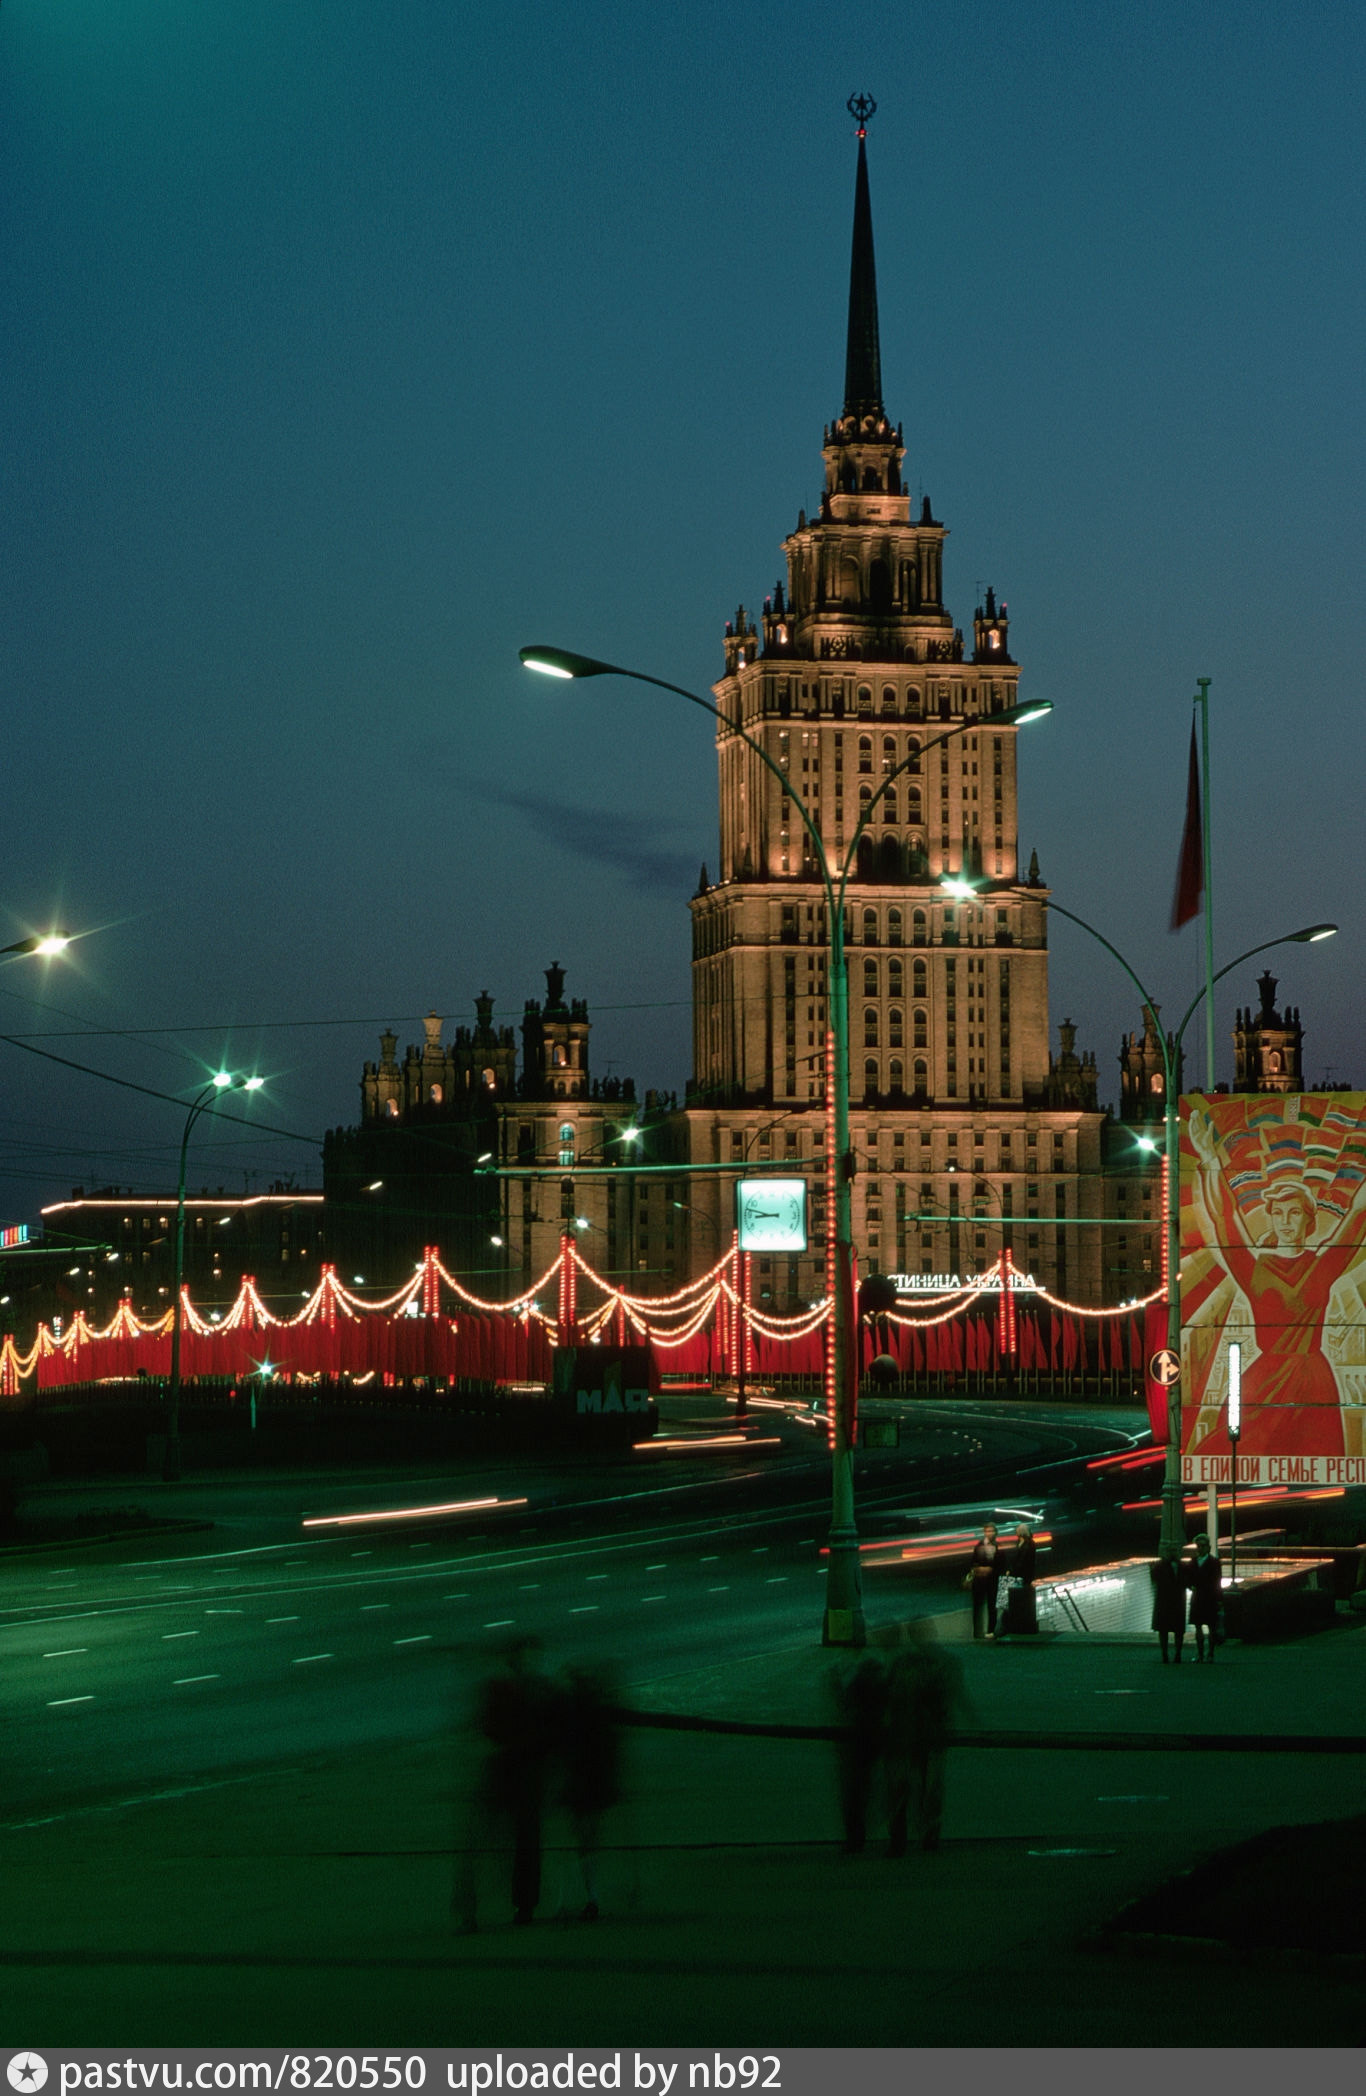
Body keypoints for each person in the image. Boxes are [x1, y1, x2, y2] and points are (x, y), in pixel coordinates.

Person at [1187, 1111, 1366, 1460]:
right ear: (1270, 1217)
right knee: (1234, 1453)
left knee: (1318, 1461)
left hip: (1315, 1384)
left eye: (1294, 1213)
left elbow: (1358, 1215)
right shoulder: (1255, 1270)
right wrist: (1209, 1160)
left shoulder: (1321, 1267)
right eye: (1278, 1213)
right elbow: (1225, 1220)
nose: (1285, 1221)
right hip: (1266, 1382)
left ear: (1309, 1221)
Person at [455, 1636, 554, 1930]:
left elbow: (483, 1726)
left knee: (490, 1840)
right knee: (522, 1842)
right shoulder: (532, 1689)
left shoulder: (502, 1688)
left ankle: (476, 1909)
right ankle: (519, 1905)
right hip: (520, 1772)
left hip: (506, 1768)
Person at [884, 1621, 963, 1854]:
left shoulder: (904, 1664)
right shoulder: (941, 1662)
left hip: (910, 1735)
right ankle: (927, 1835)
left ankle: (902, 1838)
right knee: (929, 1788)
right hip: (927, 1734)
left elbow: (891, 1697)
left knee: (905, 1788)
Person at [555, 1662, 624, 1919]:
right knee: (589, 1840)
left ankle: (576, 1898)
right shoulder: (598, 1715)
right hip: (593, 1784)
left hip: (579, 1785)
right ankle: (590, 1896)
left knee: (578, 1840)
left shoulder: (570, 1716)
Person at [830, 1653, 888, 1855]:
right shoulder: (879, 1689)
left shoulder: (857, 1687)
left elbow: (844, 1706)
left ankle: (855, 1837)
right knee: (864, 1791)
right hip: (872, 1740)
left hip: (859, 1742)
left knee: (855, 1794)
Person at [1185, 1531, 1223, 1663]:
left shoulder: (1213, 1563)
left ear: (1208, 1547)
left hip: (1209, 1598)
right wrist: (1191, 1586)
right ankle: (1202, 1654)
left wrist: (1219, 1599)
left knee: (1211, 1628)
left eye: (1202, 1546)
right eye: (1198, 1546)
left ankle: (1209, 1654)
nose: (1200, 1548)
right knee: (1199, 1627)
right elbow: (1188, 1579)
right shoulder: (1194, 1562)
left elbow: (1217, 1581)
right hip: (1199, 1598)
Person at [1149, 1542, 1187, 1664]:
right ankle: (1166, 1654)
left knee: (1175, 1630)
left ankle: (1176, 1654)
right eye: (1170, 1551)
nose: (1172, 1553)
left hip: (1170, 1601)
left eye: (1174, 1550)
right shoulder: (1162, 1566)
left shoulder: (1180, 1566)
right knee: (1166, 1630)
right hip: (1168, 1601)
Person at [1001, 1523, 1038, 1635]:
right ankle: (1006, 1622)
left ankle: (1006, 1624)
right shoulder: (1024, 1543)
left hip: (1022, 1575)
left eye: (1017, 1530)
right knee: (1010, 1597)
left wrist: (1012, 1571)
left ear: (1021, 1532)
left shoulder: (1027, 1544)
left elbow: (1022, 1561)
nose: (1016, 1532)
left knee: (1010, 1597)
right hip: (1020, 1574)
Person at [968, 1522, 1001, 1640]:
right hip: (980, 1580)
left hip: (992, 1580)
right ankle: (978, 1632)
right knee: (978, 1606)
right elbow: (973, 1562)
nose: (989, 1533)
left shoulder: (998, 1546)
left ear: (995, 1532)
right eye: (987, 1531)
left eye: (991, 1531)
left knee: (991, 1606)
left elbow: (1001, 1564)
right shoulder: (979, 1546)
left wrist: (992, 1569)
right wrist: (980, 1569)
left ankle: (990, 1631)